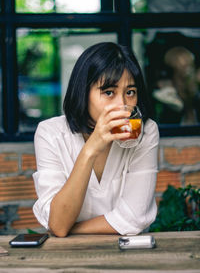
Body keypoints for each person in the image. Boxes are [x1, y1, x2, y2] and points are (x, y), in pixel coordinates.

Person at [32, 42, 159, 237]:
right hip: (68, 256)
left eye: (130, 92)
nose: (122, 104)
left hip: (128, 252)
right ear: (83, 92)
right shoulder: (50, 133)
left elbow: (134, 217)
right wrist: (90, 150)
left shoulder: (145, 131)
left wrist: (71, 229)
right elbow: (57, 222)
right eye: (109, 92)